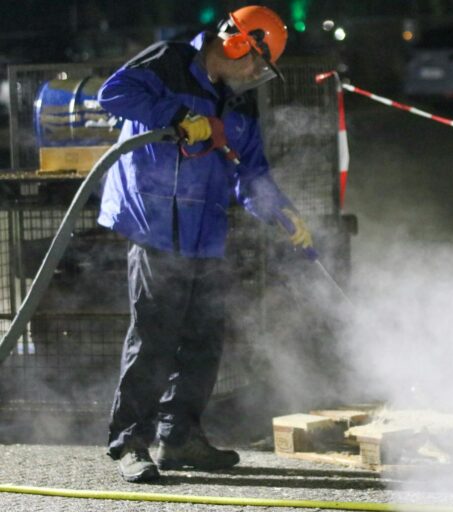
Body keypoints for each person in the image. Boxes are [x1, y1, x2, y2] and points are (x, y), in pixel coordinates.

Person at [97, 5, 313, 483]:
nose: (257, 74)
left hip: (205, 227)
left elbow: (250, 171)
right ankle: (131, 441)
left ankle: (179, 438)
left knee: (203, 338)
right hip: (154, 218)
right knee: (155, 334)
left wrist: (281, 210)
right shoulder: (170, 62)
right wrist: (179, 116)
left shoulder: (237, 103)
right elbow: (112, 94)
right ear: (237, 42)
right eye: (257, 61)